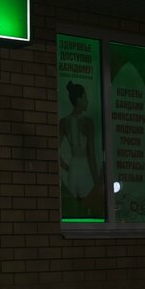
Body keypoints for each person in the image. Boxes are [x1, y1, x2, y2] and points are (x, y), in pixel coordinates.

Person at [59, 81, 100, 212]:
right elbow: (91, 154)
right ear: (78, 99)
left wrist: (67, 167)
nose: (87, 101)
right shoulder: (88, 122)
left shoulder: (63, 122)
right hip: (85, 171)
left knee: (73, 210)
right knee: (87, 210)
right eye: (85, 97)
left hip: (73, 170)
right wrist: (97, 181)